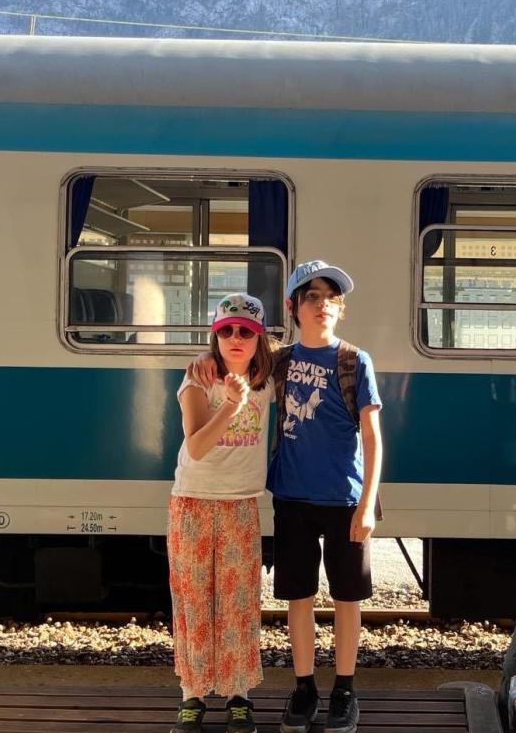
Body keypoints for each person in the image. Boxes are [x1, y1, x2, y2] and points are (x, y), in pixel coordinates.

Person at [189, 260, 383, 733]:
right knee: (298, 595)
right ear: (294, 307)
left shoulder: (355, 361)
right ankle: (303, 689)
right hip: (292, 498)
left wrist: (368, 503)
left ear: (342, 308)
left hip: (344, 499)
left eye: (331, 297)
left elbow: (373, 435)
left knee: (346, 598)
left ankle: (343, 690)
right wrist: (204, 363)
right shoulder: (281, 361)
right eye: (312, 296)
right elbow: (237, 362)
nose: (323, 304)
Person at [168, 293, 275, 733]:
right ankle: (191, 695)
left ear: (258, 339)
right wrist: (231, 403)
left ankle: (239, 696)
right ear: (214, 335)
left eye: (246, 331)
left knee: (239, 604)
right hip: (193, 501)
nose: (236, 338)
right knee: (193, 602)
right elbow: (195, 446)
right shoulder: (197, 381)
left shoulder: (268, 378)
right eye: (226, 330)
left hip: (240, 503)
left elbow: (304, 350)